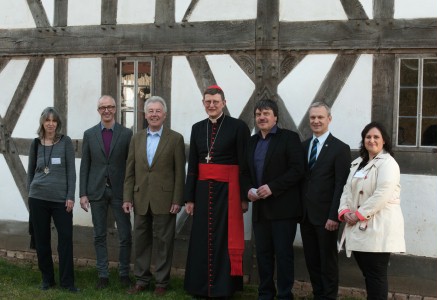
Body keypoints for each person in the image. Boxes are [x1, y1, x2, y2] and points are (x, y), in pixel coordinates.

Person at [184, 85, 250, 298]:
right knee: (202, 238)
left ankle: (224, 287)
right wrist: (189, 198)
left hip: (228, 192)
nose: (211, 105)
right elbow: (192, 166)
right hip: (203, 192)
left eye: (215, 102)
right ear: (203, 103)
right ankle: (199, 286)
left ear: (224, 103)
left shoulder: (238, 127)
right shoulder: (196, 128)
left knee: (224, 238)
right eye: (207, 102)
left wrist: (243, 197)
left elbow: (244, 164)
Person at [241, 99, 305, 300]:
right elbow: (243, 172)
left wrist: (272, 188)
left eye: (266, 113)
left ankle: (285, 295)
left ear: (275, 117)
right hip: (260, 209)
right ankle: (265, 293)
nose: (261, 117)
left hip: (283, 209)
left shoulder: (289, 138)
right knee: (263, 255)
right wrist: (248, 190)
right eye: (258, 114)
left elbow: (298, 169)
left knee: (284, 255)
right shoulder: (251, 142)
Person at [123, 96, 185, 296]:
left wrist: (177, 200)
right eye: (151, 111)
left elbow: (179, 173)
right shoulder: (136, 138)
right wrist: (127, 197)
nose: (154, 114)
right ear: (145, 114)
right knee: (141, 241)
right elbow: (130, 171)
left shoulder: (175, 139)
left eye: (158, 111)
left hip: (165, 200)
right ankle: (141, 279)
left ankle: (161, 282)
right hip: (140, 198)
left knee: (164, 243)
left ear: (165, 115)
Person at [338, 121, 405, 300]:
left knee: (376, 275)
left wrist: (358, 214)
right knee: (369, 275)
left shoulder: (388, 164)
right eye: (368, 137)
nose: (372, 140)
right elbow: (347, 190)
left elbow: (382, 194)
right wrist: (345, 212)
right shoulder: (357, 163)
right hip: (358, 227)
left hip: (378, 228)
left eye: (376, 137)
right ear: (363, 140)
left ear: (384, 141)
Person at [79, 95, 133, 289]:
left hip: (120, 192)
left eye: (110, 107)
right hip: (96, 191)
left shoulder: (127, 134)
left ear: (116, 109)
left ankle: (124, 273)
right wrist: (83, 193)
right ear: (98, 110)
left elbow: (130, 166)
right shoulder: (90, 134)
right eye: (103, 107)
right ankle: (103, 274)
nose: (107, 110)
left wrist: (129, 194)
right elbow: (85, 165)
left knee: (125, 234)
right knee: (99, 235)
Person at [300, 102, 351, 300]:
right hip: (305, 216)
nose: (316, 121)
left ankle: (329, 297)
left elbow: (341, 185)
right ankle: (318, 295)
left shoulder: (340, 149)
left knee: (327, 262)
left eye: (320, 117)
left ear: (329, 119)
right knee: (312, 260)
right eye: (313, 117)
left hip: (327, 218)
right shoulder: (303, 146)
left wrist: (334, 216)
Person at [27, 107, 78, 292]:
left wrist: (70, 196)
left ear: (58, 123)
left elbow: (71, 173)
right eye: (47, 120)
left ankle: (67, 282)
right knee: (42, 240)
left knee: (65, 239)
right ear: (42, 122)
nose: (50, 124)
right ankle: (47, 279)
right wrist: (29, 197)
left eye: (54, 120)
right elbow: (30, 173)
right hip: (38, 197)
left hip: (60, 201)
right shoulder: (36, 144)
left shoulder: (65, 142)